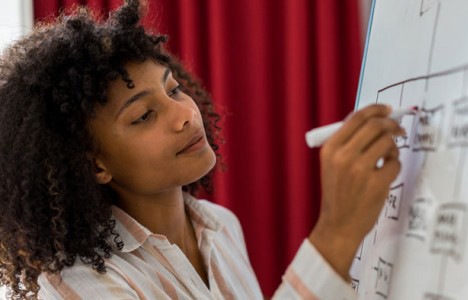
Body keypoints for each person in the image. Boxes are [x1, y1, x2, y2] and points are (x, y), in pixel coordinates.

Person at [0, 0, 403, 299]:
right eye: (143, 115)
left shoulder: (221, 225)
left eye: (174, 89)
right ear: (95, 164)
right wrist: (336, 234)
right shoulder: (79, 285)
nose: (184, 115)